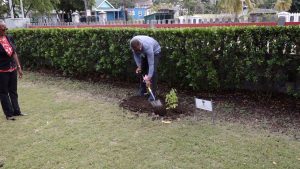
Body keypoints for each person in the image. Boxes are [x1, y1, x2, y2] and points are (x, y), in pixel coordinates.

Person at [0, 23, 25, 120]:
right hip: (2, 70)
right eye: (3, 29)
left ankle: (17, 111)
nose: (5, 31)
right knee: (3, 92)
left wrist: (19, 67)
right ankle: (9, 114)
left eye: (5, 29)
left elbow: (14, 53)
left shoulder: (9, 38)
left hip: (12, 68)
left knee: (13, 91)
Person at [130, 35, 161, 101]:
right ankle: (143, 90)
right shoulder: (132, 44)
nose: (139, 51)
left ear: (140, 45)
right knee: (142, 70)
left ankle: (153, 94)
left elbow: (151, 64)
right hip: (144, 52)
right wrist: (139, 66)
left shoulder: (147, 46)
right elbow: (136, 56)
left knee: (153, 72)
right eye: (137, 50)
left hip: (155, 52)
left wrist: (148, 78)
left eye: (139, 49)